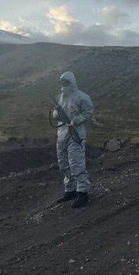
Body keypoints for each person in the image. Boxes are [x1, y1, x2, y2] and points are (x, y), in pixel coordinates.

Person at [53, 71, 95, 208]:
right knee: (63, 162)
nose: (64, 85)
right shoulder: (60, 98)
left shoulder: (82, 97)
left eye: (66, 82)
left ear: (71, 82)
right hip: (62, 133)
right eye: (62, 82)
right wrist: (56, 114)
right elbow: (55, 111)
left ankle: (82, 192)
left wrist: (78, 119)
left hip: (76, 133)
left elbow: (88, 113)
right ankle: (70, 190)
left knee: (76, 162)